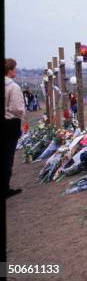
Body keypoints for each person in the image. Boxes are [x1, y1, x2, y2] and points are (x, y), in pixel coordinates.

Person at [4, 58, 26, 198]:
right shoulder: (13, 87)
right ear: (10, 70)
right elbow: (17, 108)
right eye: (15, 68)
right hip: (9, 123)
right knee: (7, 156)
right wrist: (23, 113)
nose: (16, 71)